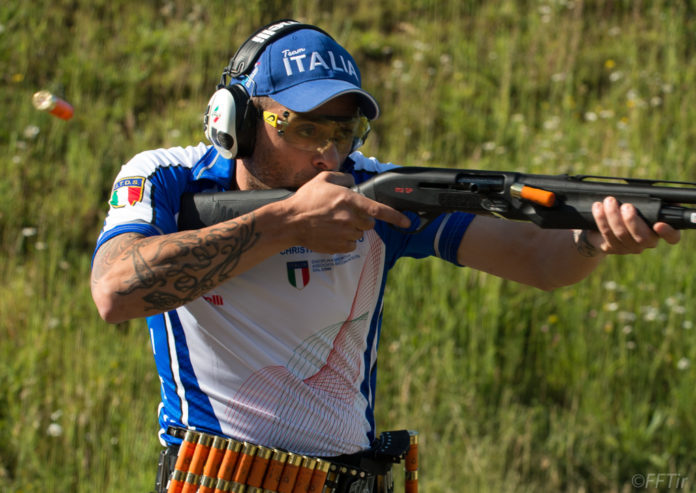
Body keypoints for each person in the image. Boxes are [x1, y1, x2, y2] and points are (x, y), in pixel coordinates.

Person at [90, 19, 680, 493]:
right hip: (216, 477)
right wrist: (283, 223)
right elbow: (115, 290)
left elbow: (538, 261)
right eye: (301, 128)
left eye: (343, 132)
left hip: (351, 477)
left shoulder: (373, 190)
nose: (328, 155)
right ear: (236, 121)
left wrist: (592, 239)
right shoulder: (166, 177)